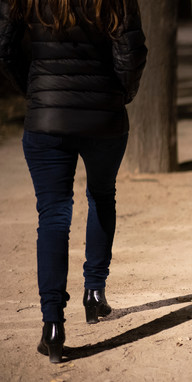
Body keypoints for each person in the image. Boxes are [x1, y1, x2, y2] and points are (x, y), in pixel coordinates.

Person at [0, 0, 147, 363]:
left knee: (53, 215)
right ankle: (94, 294)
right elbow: (132, 53)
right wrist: (120, 95)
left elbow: (5, 49)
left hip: (46, 119)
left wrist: (36, 94)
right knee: (101, 195)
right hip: (105, 119)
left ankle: (52, 325)